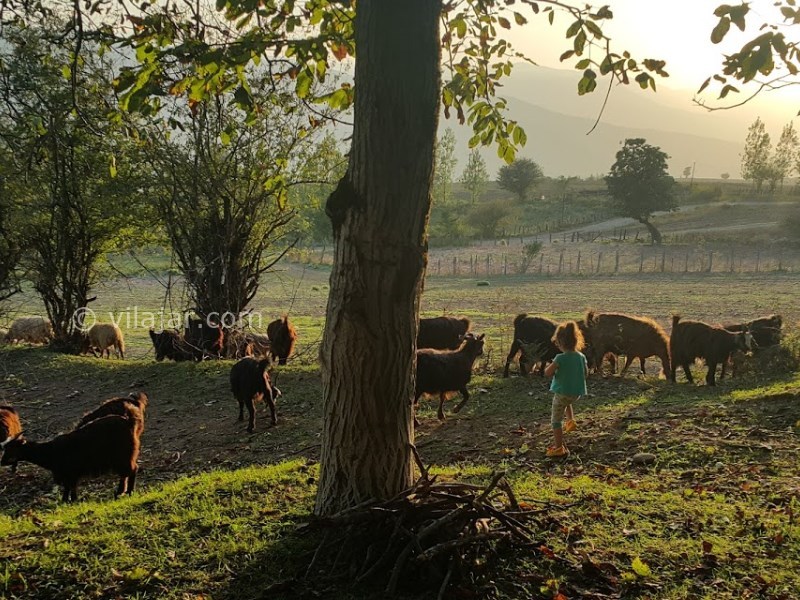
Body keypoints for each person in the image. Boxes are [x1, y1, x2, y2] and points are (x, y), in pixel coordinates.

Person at [543, 320, 588, 457]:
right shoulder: (581, 356)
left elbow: (547, 373)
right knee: (567, 402)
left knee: (555, 421)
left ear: (561, 342)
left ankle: (558, 448)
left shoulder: (560, 358)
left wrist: (553, 367)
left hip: (562, 393)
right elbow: (585, 373)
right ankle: (570, 421)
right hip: (576, 393)